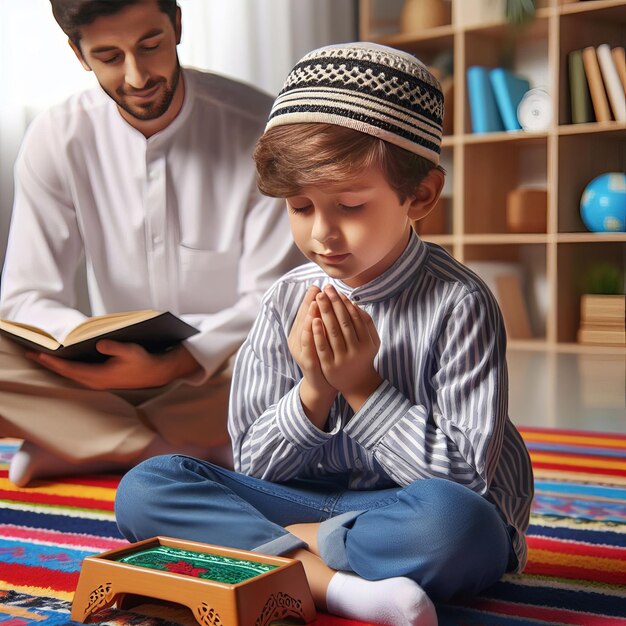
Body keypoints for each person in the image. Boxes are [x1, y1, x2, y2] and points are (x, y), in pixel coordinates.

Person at [115, 42, 534, 626]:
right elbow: (255, 467)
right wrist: (313, 390)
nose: (322, 234)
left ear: (420, 196)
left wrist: (362, 387)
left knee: (456, 528)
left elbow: (465, 480)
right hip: (300, 501)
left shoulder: (460, 302)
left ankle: (278, 555)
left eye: (352, 205)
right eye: (302, 207)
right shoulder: (286, 297)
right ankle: (344, 590)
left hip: (410, 512)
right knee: (147, 487)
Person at [0, 0, 302, 487]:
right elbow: (26, 297)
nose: (138, 76)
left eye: (150, 46)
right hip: (104, 379)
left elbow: (276, 296)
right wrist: (92, 354)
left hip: (225, 372)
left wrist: (180, 360)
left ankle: (86, 441)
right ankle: (164, 449)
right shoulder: (56, 138)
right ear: (79, 55)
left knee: (305, 352)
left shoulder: (261, 127)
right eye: (109, 56)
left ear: (177, 24)